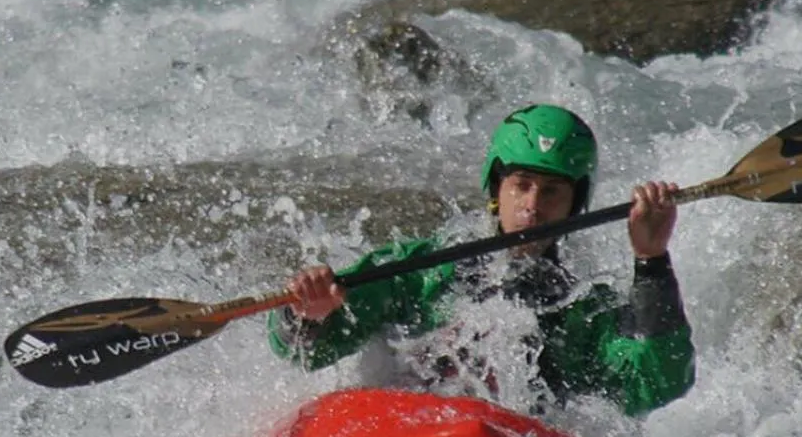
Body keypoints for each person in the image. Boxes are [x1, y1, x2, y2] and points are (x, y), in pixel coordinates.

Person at [266, 104, 694, 418]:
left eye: (551, 192)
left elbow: (659, 383)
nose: (532, 206)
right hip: (403, 433)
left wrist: (651, 259)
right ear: (496, 190)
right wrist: (308, 315)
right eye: (521, 186)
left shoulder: (583, 311)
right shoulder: (419, 273)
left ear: (574, 204)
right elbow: (304, 351)